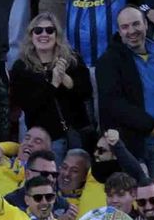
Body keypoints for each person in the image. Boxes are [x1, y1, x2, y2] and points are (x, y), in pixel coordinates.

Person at [96, 6, 154, 173]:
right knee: (135, 196)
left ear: (146, 25)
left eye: (136, 24)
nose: (131, 31)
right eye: (125, 27)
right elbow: (112, 103)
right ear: (119, 31)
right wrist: (148, 125)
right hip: (129, 144)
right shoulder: (109, 61)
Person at [9, 12, 95, 150]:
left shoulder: (72, 60)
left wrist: (66, 80)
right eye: (38, 30)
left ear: (57, 35)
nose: (44, 34)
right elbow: (28, 105)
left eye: (50, 30)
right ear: (31, 36)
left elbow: (86, 93)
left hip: (77, 134)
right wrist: (53, 84)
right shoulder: (21, 67)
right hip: (45, 139)